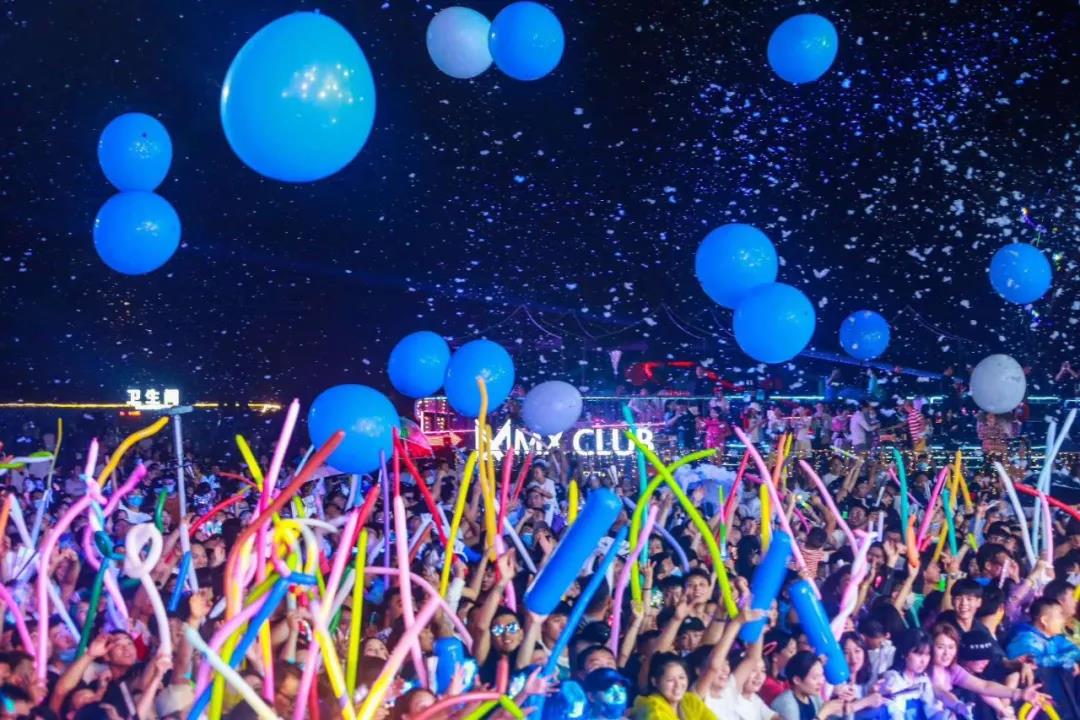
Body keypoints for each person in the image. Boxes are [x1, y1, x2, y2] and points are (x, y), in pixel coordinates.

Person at [632, 653, 717, 720]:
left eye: (681, 677)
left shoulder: (690, 700)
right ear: (655, 682)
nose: (678, 684)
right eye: (670, 680)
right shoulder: (653, 707)